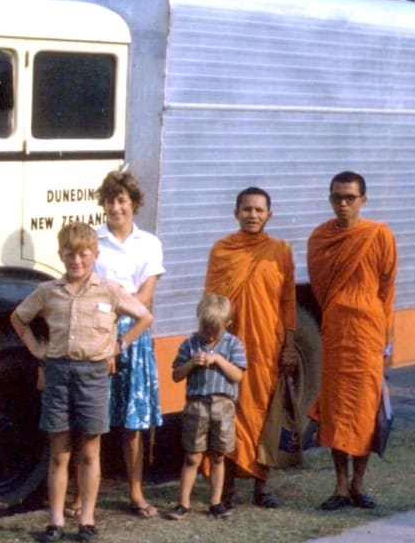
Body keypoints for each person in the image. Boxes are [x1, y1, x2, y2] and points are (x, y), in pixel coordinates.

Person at [10, 222, 153, 543]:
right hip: (58, 374)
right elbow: (18, 318)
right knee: (59, 453)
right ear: (61, 255)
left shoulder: (109, 290)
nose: (76, 260)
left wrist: (119, 345)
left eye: (83, 254)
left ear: (95, 255)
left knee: (89, 451)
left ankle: (87, 519)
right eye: (70, 254)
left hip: (94, 376)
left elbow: (144, 316)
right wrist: (36, 349)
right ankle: (56, 520)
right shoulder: (48, 291)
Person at [307, 170, 397, 511]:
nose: (343, 204)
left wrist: (386, 338)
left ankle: (358, 484)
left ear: (363, 200)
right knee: (336, 408)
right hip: (336, 331)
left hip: (368, 332)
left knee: (364, 409)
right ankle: (340, 485)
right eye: (337, 197)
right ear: (330, 199)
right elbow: (320, 289)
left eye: (350, 198)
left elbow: (387, 288)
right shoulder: (320, 238)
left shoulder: (378, 235)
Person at [202, 187, 297, 509]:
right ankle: (226, 487)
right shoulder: (222, 250)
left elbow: (287, 301)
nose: (253, 215)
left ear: (269, 214)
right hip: (229, 347)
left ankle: (261, 485)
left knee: (262, 414)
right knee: (226, 412)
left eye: (259, 210)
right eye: (247, 209)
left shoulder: (280, 251)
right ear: (236, 213)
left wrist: (289, 345)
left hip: (266, 347)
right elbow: (210, 301)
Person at [84, 170, 164, 519]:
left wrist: (123, 337)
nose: (116, 207)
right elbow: (86, 286)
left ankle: (135, 493)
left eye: (122, 201)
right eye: (110, 201)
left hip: (135, 333)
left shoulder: (149, 243)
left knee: (133, 421)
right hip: (98, 331)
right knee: (92, 419)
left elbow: (145, 297)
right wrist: (108, 329)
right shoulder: (93, 241)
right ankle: (82, 496)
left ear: (134, 204)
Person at [164, 294, 247, 521]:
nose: (209, 335)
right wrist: (192, 363)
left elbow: (238, 376)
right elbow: (176, 375)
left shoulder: (233, 344)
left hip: (223, 405)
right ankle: (183, 503)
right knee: (193, 456)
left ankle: (216, 502)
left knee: (218, 456)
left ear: (227, 324)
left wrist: (219, 360)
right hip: (197, 405)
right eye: (205, 329)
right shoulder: (190, 344)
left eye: (215, 331)